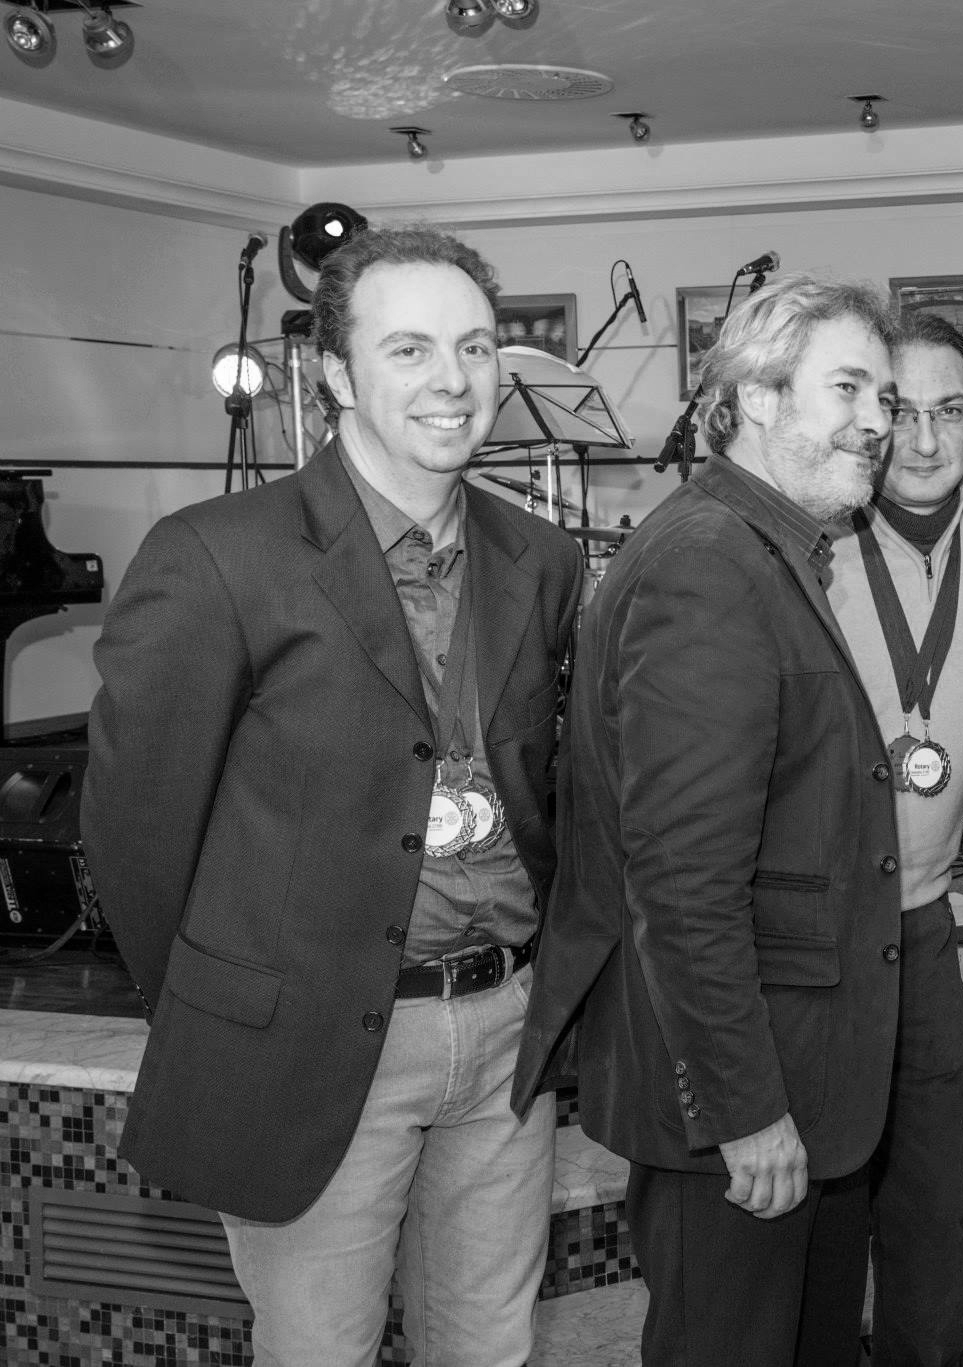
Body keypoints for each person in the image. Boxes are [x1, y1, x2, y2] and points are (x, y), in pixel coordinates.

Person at [81, 224, 582, 1365]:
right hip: (308, 1045)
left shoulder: (542, 558)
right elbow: (136, 833)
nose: (453, 380)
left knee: (490, 1351)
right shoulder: (216, 555)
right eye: (409, 349)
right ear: (338, 375)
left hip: (505, 1029)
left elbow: (543, 793)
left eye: (474, 346)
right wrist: (236, 1004)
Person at [511, 277, 902, 1364]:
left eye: (884, 395)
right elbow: (682, 882)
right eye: (849, 389)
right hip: (739, 1106)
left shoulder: (756, 546)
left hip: (792, 1082)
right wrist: (743, 1107)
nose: (878, 420)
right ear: (757, 397)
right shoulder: (708, 565)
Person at [823, 313, 963, 1364]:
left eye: (948, 410)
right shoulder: (811, 538)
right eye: (897, 410)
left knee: (928, 1213)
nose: (920, 440)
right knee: (818, 1221)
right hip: (815, 940)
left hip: (923, 928)